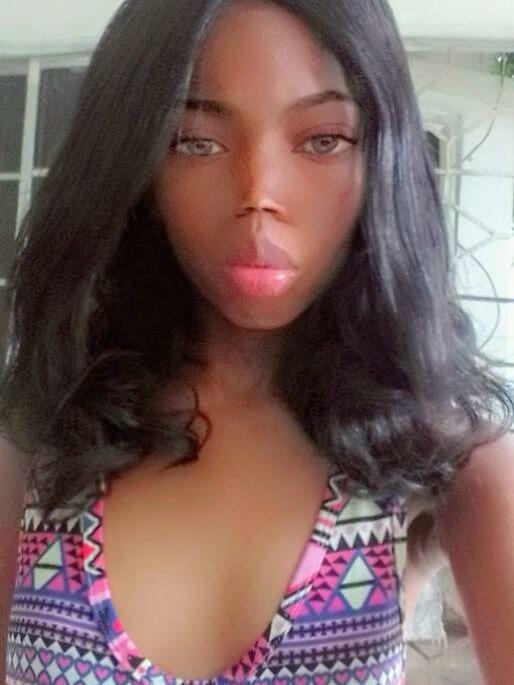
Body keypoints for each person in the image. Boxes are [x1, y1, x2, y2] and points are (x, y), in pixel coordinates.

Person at [1, 0, 513, 683]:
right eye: (195, 141)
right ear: (138, 168)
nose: (259, 193)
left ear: (382, 159)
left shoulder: (447, 460)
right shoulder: (41, 444)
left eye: (323, 139)